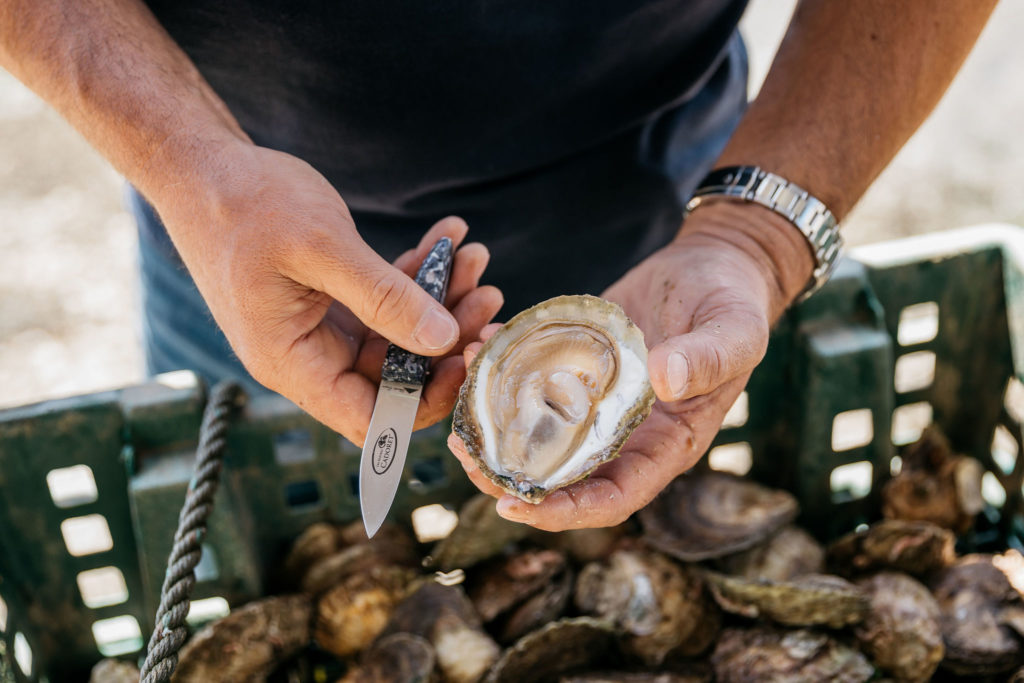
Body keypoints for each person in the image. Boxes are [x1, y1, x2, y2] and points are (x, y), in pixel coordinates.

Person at [0, 1, 997, 531]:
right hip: (229, 204)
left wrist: (759, 234)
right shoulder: (209, 184)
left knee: (662, 495)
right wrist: (191, 166)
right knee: (265, 514)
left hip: (678, 187)